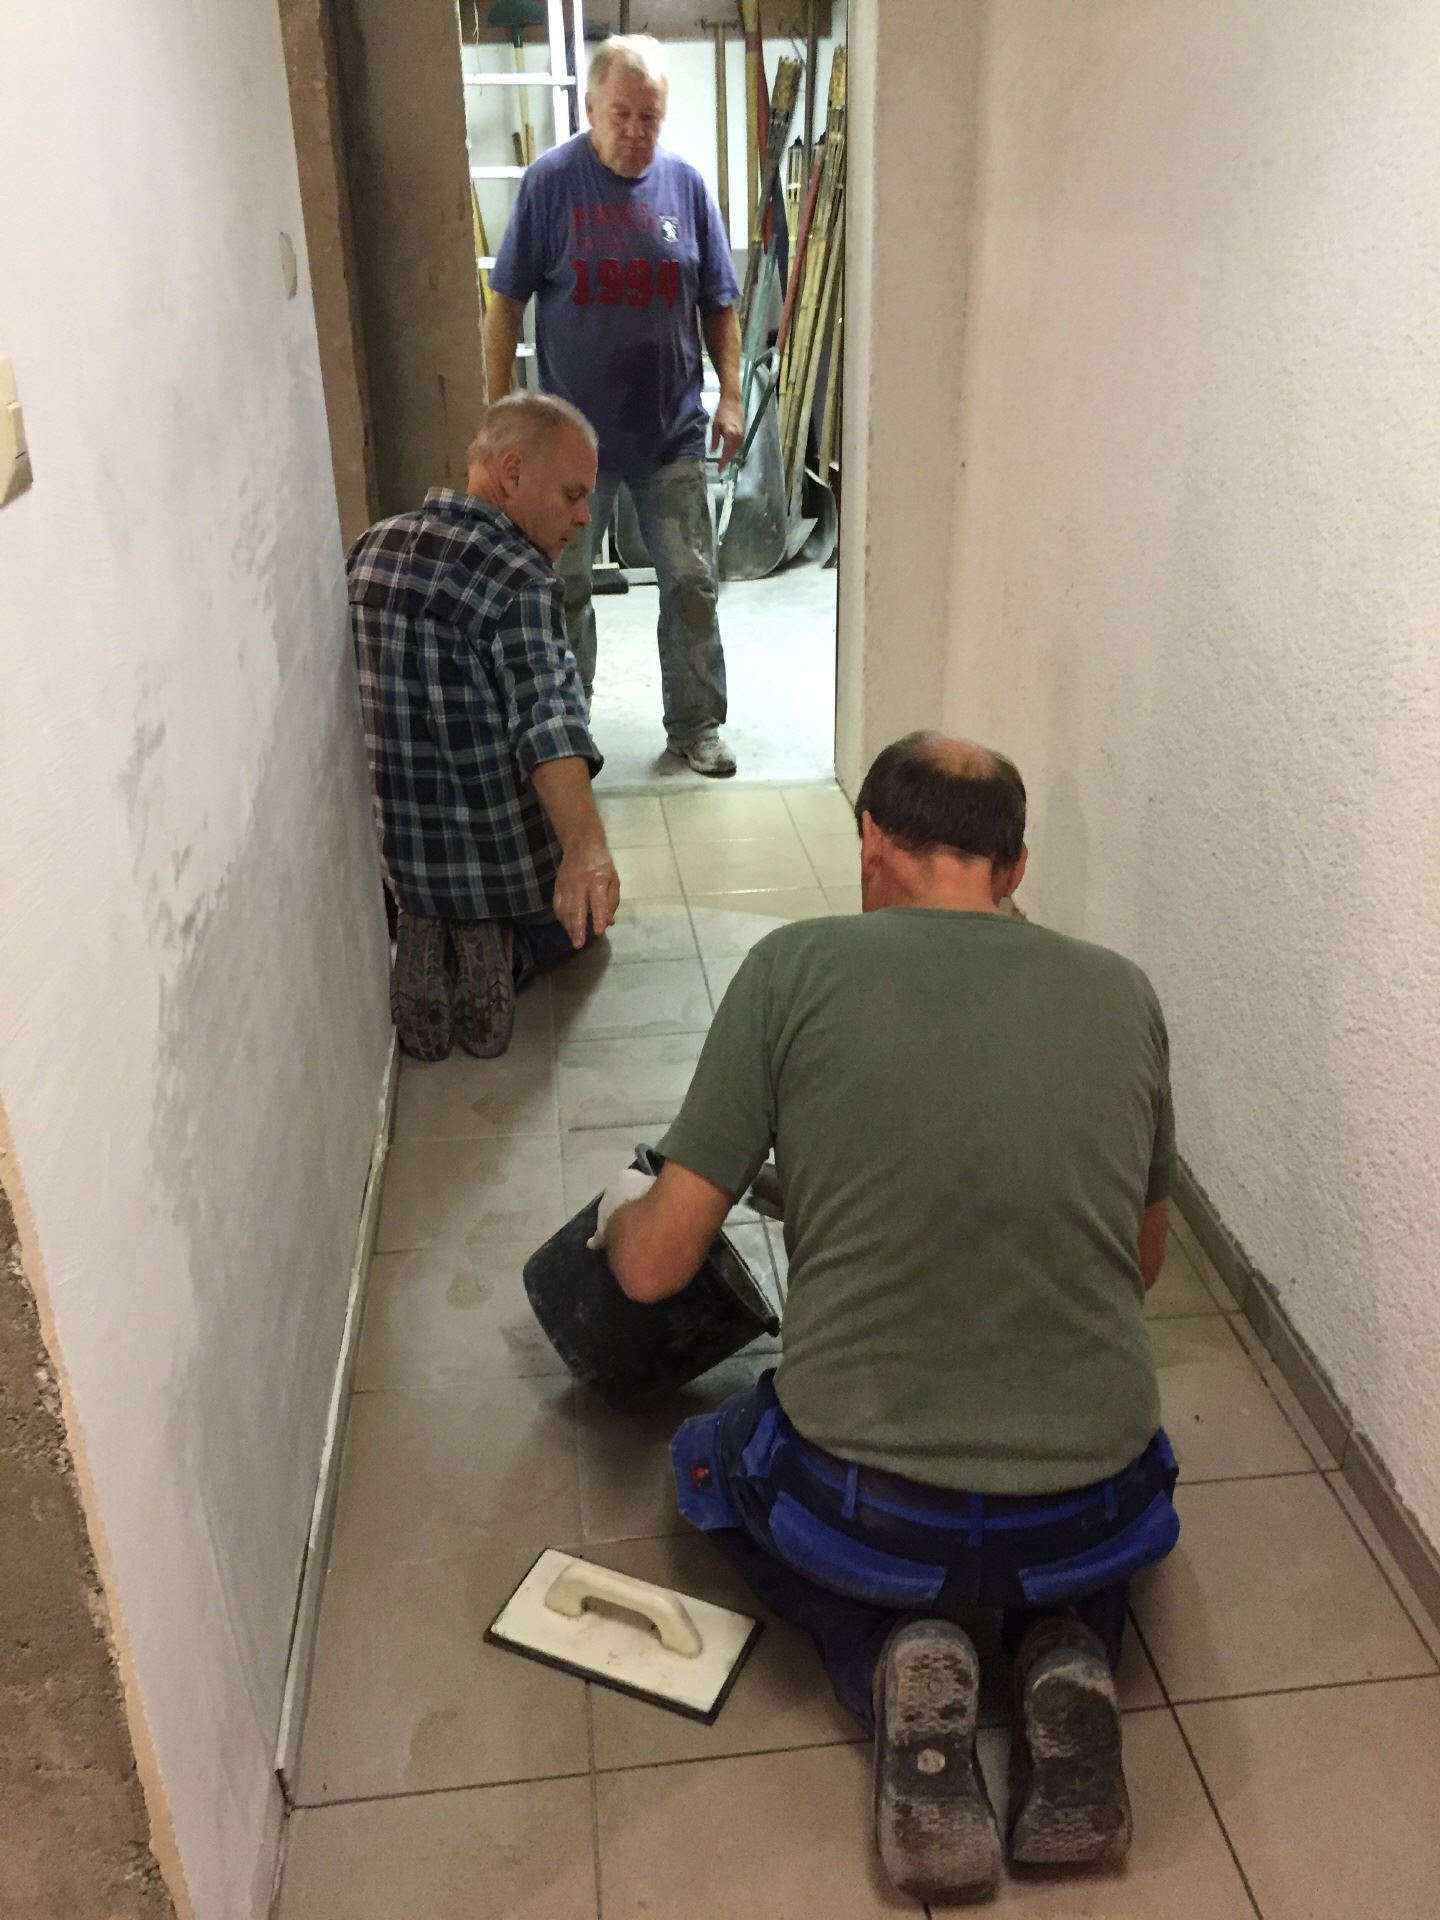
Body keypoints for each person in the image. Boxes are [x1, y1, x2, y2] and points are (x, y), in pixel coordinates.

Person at [586, 734, 1180, 1905]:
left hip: (874, 1505)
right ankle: (1062, 1646)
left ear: (870, 841)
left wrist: (621, 1219)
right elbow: (1143, 1262)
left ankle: (889, 1656)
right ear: (1015, 867)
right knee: (1076, 1519)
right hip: (1095, 1495)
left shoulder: (792, 969)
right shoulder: (1124, 991)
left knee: (710, 1460)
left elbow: (655, 1270)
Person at [484, 34, 742, 778]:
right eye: (622, 114)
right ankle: (568, 731)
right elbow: (505, 305)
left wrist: (729, 395)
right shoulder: (551, 184)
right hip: (569, 445)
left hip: (671, 431)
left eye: (649, 117)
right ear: (591, 107)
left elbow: (719, 304)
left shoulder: (686, 187)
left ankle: (695, 724)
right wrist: (502, 413)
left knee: (691, 584)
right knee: (561, 592)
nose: (635, 131)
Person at [347, 393, 620, 1063]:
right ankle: (498, 939)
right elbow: (546, 717)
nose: (584, 516)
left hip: (396, 855)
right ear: (512, 472)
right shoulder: (520, 578)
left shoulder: (370, 549)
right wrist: (586, 851)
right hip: (497, 863)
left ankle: (426, 925)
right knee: (581, 924)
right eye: (573, 494)